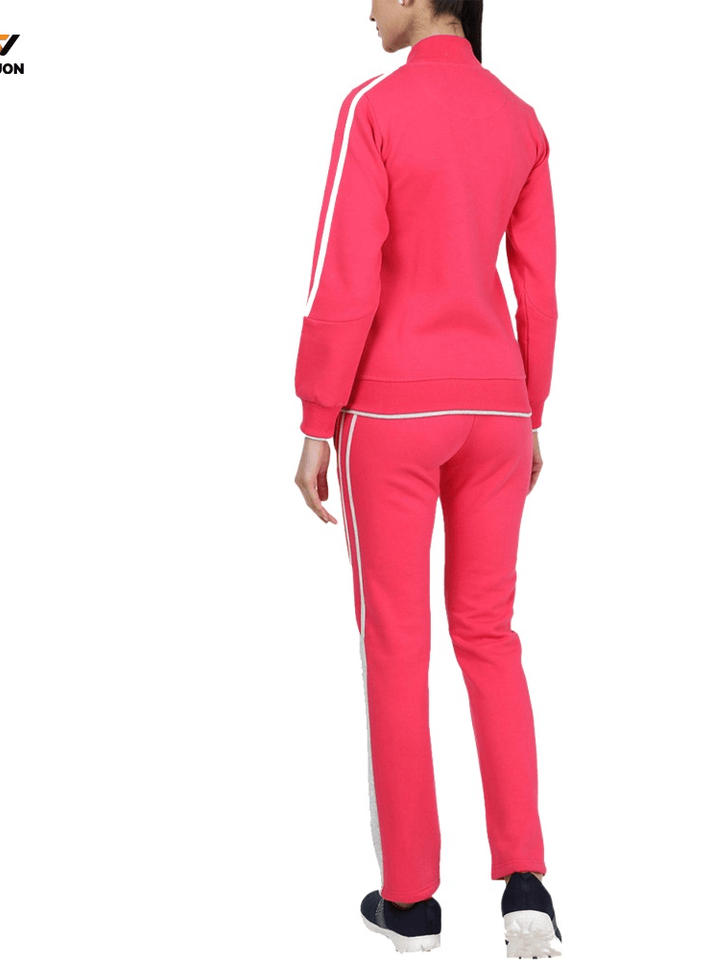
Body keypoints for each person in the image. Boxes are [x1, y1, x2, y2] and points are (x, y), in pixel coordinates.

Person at [293, 1, 562, 956]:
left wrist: (315, 418)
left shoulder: (374, 107)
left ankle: (411, 902)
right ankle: (526, 886)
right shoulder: (521, 119)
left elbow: (345, 277)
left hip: (393, 411)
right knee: (489, 635)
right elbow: (539, 288)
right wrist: (530, 408)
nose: (367, 8)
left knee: (397, 646)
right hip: (498, 409)